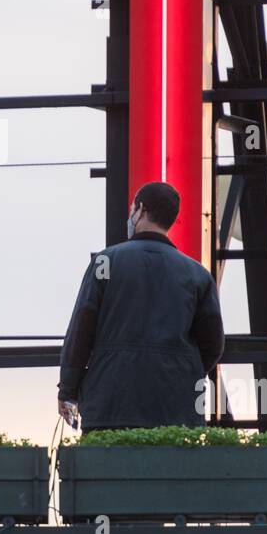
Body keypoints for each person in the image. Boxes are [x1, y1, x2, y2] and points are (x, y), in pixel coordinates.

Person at [57, 181, 224, 433]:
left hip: (110, 404)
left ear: (141, 209)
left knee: (107, 469)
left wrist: (68, 390)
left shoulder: (105, 262)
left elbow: (81, 331)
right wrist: (183, 370)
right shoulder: (198, 275)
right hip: (176, 409)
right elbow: (213, 345)